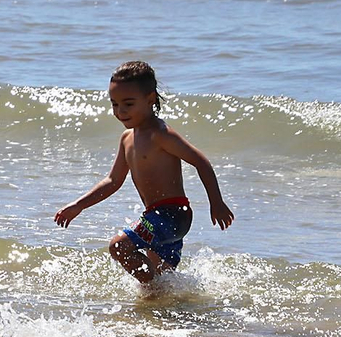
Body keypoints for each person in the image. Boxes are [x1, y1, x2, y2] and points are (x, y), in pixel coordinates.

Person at [53, 61, 232, 283]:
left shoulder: (161, 134)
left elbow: (201, 162)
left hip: (172, 214)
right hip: (155, 215)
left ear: (150, 99)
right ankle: (170, 305)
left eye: (128, 104)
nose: (120, 111)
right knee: (163, 282)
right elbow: (113, 180)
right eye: (115, 104)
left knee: (119, 247)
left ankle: (154, 290)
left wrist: (217, 202)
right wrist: (79, 204)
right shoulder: (127, 139)